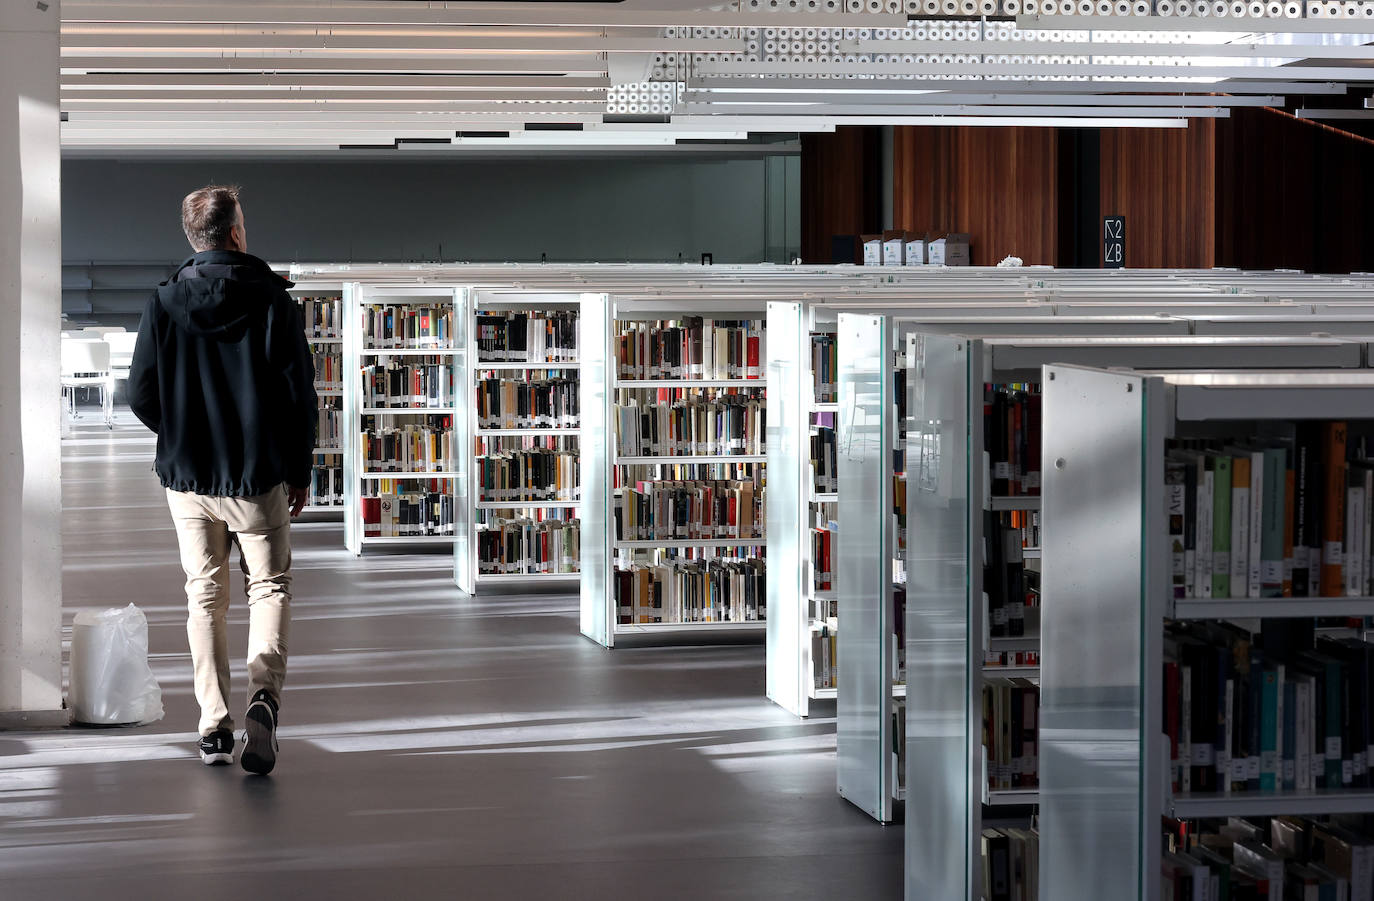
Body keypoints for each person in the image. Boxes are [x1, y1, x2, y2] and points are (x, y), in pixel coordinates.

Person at [127, 185, 315, 775]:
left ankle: (213, 724)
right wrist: (299, 467)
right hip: (258, 476)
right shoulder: (273, 301)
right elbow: (298, 396)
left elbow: (140, 393)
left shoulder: (162, 302)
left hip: (188, 479)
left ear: (194, 239)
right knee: (270, 586)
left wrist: (179, 430)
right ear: (235, 233)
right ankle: (265, 697)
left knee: (204, 595)